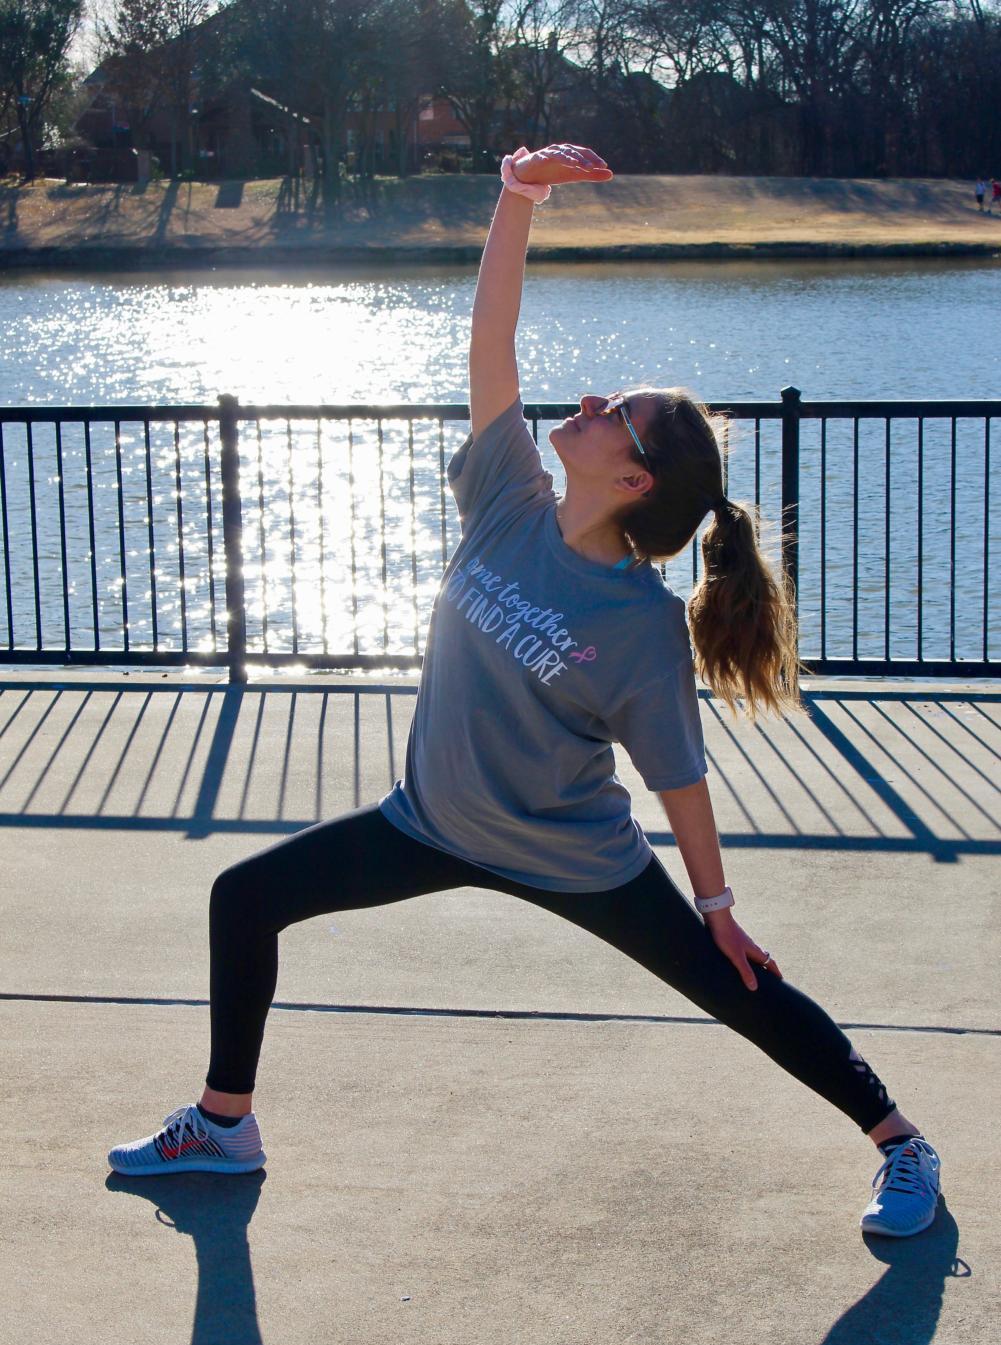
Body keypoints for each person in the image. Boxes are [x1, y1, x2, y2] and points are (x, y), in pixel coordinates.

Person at [108, 143, 941, 1240]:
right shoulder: (509, 494)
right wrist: (515, 197)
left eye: (615, 413)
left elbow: (677, 776)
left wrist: (718, 910)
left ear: (633, 481)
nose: (588, 400)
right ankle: (224, 1124)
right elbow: (488, 342)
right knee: (244, 898)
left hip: (572, 855)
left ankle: (899, 1142)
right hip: (430, 822)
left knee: (733, 989)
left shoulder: (640, 625)